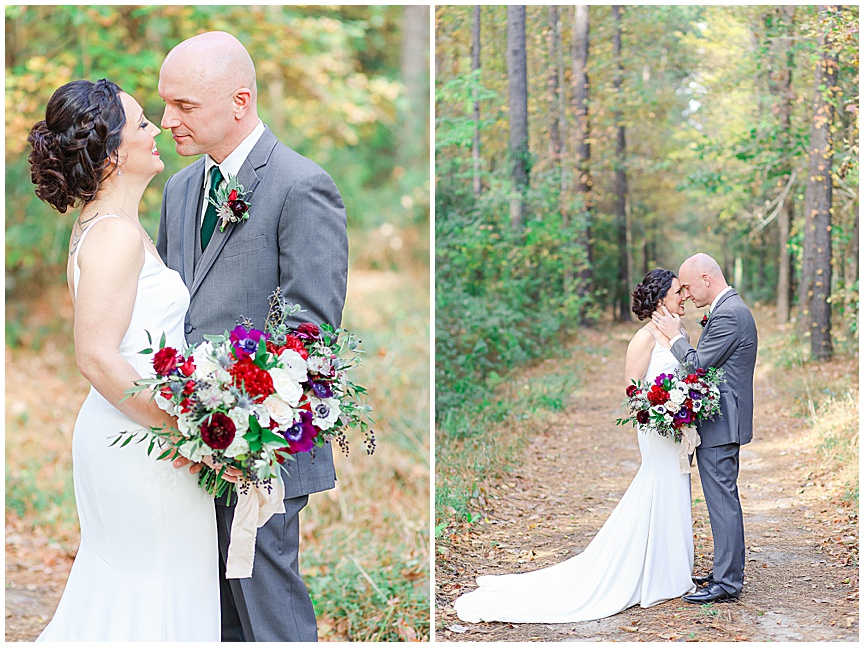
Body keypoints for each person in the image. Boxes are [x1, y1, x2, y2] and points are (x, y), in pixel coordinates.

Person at [156, 31, 348, 642]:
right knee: (211, 609)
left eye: (184, 106)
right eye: (165, 105)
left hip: (264, 443)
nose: (167, 121)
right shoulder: (181, 189)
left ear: (239, 102)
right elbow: (171, 314)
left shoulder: (300, 185)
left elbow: (310, 331)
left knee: (265, 602)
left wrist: (246, 427)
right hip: (189, 438)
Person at [27, 79, 220, 640]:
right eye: (141, 124)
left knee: (145, 590)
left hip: (133, 432)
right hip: (141, 443)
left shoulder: (109, 226)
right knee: (153, 596)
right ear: (111, 153)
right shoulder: (115, 236)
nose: (157, 128)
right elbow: (95, 355)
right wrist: (190, 434)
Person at [453, 268, 696, 624]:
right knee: (659, 484)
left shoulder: (681, 334)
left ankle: (670, 572)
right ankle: (652, 574)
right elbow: (632, 394)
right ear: (661, 299)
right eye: (678, 292)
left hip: (677, 428)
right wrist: (661, 409)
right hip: (656, 428)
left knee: (676, 487)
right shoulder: (642, 340)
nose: (683, 297)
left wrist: (685, 404)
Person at [652, 253, 757, 604]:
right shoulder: (729, 309)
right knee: (721, 500)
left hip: (722, 423)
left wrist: (673, 336)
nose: (687, 294)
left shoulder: (729, 314)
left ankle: (727, 583)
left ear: (706, 279)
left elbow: (697, 365)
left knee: (722, 501)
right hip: (721, 420)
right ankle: (725, 572)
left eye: (688, 286)